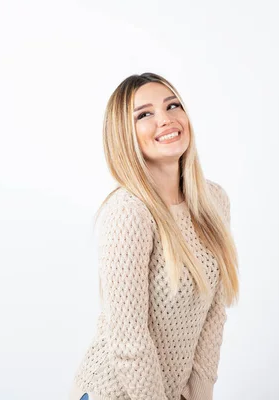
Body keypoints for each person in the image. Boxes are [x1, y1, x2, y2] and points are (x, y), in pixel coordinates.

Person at [69, 72, 240, 400]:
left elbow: (214, 313)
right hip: (114, 392)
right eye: (144, 114)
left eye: (173, 105)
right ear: (124, 134)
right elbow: (129, 342)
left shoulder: (214, 200)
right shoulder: (128, 211)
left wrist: (199, 395)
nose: (166, 119)